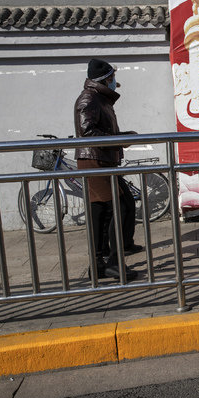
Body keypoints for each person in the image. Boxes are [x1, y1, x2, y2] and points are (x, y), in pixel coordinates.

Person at [74, 58, 143, 280]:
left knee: (105, 210)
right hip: (95, 161)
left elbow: (100, 132)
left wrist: (122, 137)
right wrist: (119, 140)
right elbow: (87, 132)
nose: (115, 82)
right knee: (119, 207)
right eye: (113, 78)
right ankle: (113, 263)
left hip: (101, 160)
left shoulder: (99, 98)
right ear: (106, 79)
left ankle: (99, 264)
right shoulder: (89, 98)